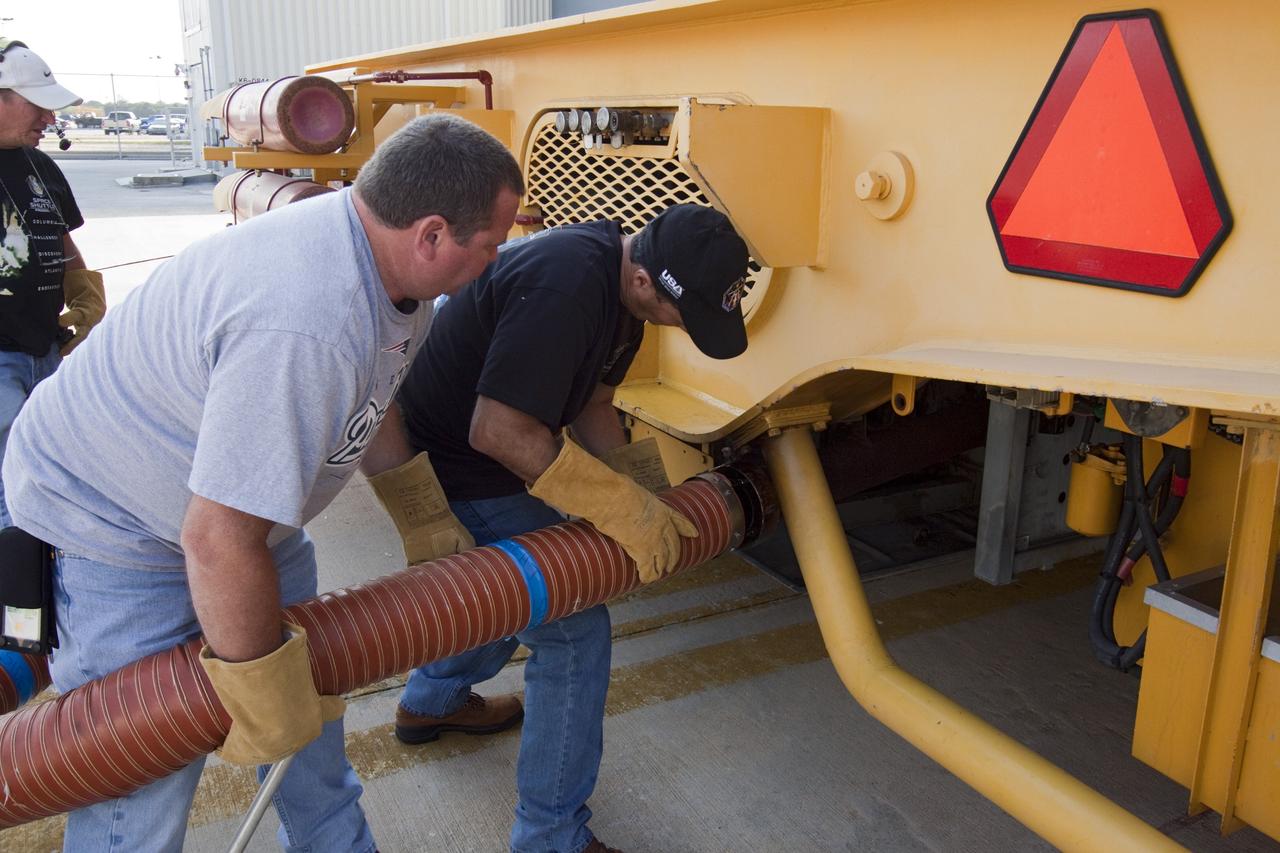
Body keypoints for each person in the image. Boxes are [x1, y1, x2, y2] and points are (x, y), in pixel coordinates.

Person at [2, 113, 524, 852]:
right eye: (492, 244)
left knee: (308, 724)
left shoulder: (398, 277)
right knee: (141, 764)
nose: (496, 260)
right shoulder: (309, 318)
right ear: (431, 234)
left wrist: (421, 514)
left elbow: (371, 396)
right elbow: (216, 541)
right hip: (114, 518)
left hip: (233, 516)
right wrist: (260, 686)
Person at [363, 203, 751, 853]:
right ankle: (550, 835)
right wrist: (621, 511)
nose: (684, 329)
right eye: (686, 314)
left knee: (501, 603)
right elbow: (501, 431)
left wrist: (648, 497)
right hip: (459, 466)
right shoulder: (567, 287)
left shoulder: (624, 286)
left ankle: (430, 701)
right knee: (573, 625)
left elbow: (595, 401)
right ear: (646, 283)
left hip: (495, 453)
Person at [0, 39, 104, 527]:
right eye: (35, 104)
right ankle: (16, 595)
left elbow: (60, 240)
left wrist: (85, 294)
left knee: (45, 477)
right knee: (10, 489)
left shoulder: (40, 167)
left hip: (44, 350)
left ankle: (35, 587)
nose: (48, 118)